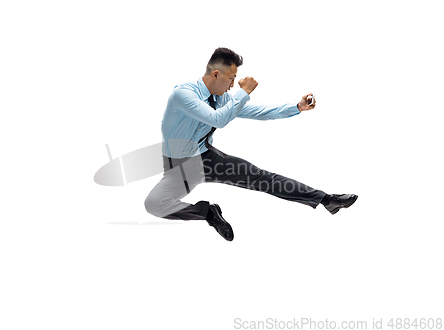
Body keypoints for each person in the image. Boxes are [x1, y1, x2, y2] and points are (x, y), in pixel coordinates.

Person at [144, 47, 357, 241]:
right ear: (216, 74)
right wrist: (243, 92)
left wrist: (296, 107)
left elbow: (258, 111)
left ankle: (326, 200)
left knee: (262, 178)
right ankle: (209, 213)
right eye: (231, 78)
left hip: (206, 159)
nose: (233, 85)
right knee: (153, 204)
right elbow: (217, 119)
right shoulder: (184, 94)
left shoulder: (220, 100)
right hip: (177, 167)